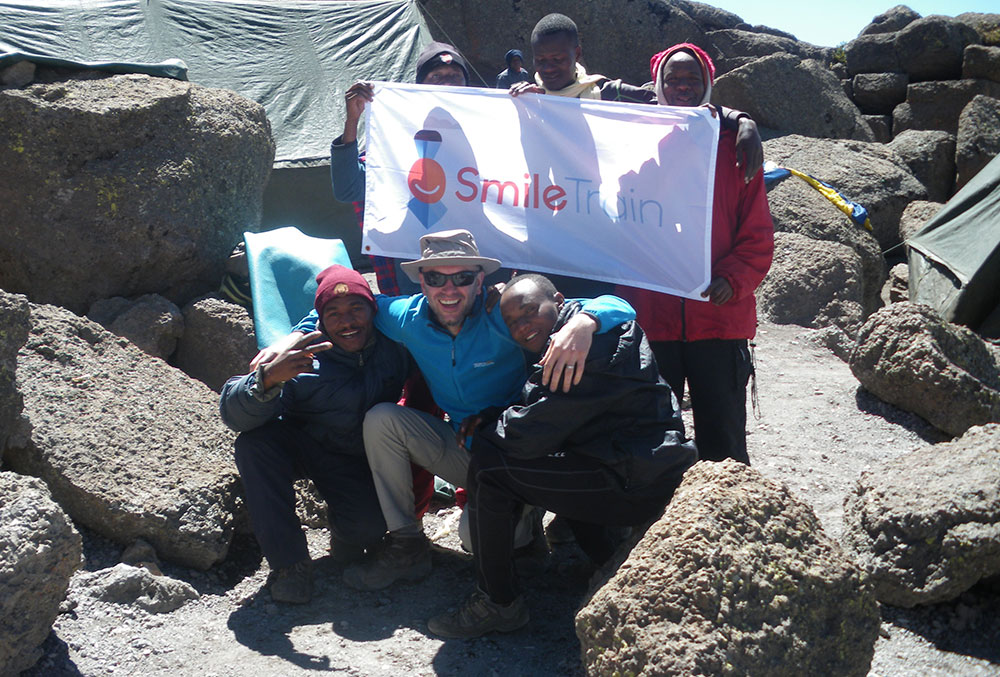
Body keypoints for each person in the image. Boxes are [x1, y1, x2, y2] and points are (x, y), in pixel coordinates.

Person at [263, 229, 637, 591]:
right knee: (383, 420)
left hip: (522, 449)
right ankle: (408, 546)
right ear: (421, 283)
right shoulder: (404, 317)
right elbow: (347, 306)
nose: (449, 289)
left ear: (479, 281)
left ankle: (529, 524)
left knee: (474, 537)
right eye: (435, 278)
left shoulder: (505, 315)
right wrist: (296, 335)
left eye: (461, 277)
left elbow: (620, 307)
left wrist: (586, 321)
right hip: (467, 451)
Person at [426, 273, 698, 638]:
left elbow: (527, 436)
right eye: (513, 322)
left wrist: (491, 428)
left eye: (529, 312)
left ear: (557, 299)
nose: (522, 327)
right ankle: (610, 562)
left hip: (636, 480)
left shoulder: (588, 347)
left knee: (492, 468)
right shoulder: (578, 332)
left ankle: (498, 602)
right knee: (560, 455)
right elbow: (543, 407)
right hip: (635, 464)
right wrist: (494, 416)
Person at [617, 43, 774, 465]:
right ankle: (654, 520)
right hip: (652, 315)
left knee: (722, 439)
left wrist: (734, 279)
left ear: (708, 83)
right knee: (652, 433)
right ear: (658, 85)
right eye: (673, 79)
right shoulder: (631, 139)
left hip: (718, 317)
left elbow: (757, 233)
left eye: (692, 80)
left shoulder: (735, 145)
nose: (682, 87)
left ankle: (724, 514)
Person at [220, 265, 410, 604]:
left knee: (366, 530)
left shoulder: (396, 347)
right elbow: (233, 414)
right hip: (303, 445)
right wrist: (266, 381)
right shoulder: (302, 355)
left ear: (373, 311)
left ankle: (344, 531)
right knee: (254, 445)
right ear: (321, 319)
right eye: (334, 313)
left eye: (356, 309)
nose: (347, 321)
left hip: (354, 457)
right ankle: (289, 565)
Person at [509, 13, 763, 184]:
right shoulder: (532, 96)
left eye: (558, 59)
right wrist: (519, 102)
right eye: (541, 60)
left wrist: (742, 120)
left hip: (593, 201)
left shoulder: (606, 92)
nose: (549, 68)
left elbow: (671, 103)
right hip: (547, 197)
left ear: (576, 53)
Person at [332, 41, 472, 295]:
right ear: (420, 86)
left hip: (477, 268)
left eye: (455, 76)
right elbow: (347, 188)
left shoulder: (490, 137)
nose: (447, 83)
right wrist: (352, 121)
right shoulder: (398, 144)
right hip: (416, 275)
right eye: (436, 77)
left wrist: (538, 110)